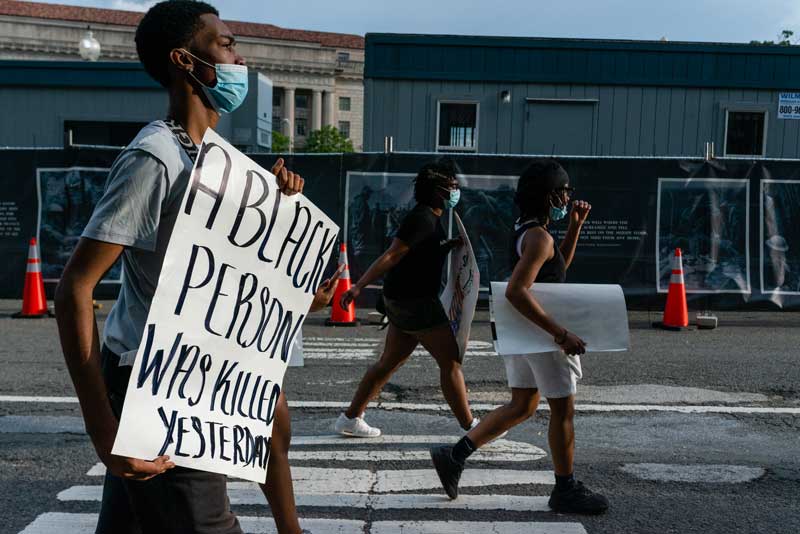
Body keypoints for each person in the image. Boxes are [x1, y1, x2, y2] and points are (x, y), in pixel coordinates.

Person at [54, 2, 339, 533]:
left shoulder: (216, 159)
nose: (239, 57)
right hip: (159, 385)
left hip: (197, 379)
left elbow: (225, 286)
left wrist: (292, 282)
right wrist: (105, 433)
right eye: (226, 45)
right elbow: (76, 288)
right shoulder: (155, 157)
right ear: (185, 61)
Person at [429, 159, 609, 515]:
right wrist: (561, 334)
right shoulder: (539, 237)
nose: (568, 198)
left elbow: (554, 274)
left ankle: (455, 455)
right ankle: (565, 488)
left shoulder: (529, 231)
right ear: (547, 196)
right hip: (543, 335)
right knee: (563, 411)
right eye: (563, 192)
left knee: (523, 404)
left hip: (524, 331)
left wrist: (574, 229)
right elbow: (517, 290)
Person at [334, 162, 478, 437]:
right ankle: (471, 427)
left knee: (388, 363)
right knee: (450, 361)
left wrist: (446, 246)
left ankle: (350, 418)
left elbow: (418, 251)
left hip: (401, 300)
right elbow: (393, 254)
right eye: (451, 186)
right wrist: (357, 287)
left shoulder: (429, 217)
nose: (455, 190)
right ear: (437, 191)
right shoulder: (423, 218)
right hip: (416, 303)